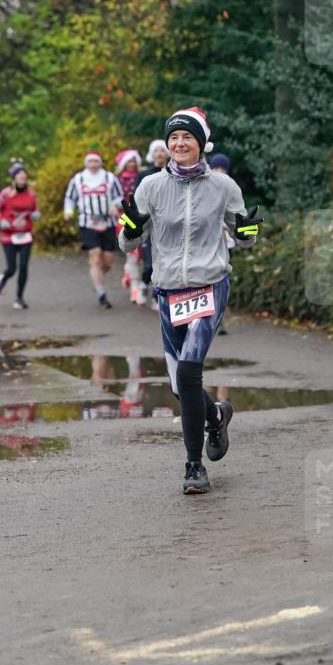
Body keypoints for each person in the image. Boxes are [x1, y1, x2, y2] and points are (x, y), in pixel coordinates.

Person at [119, 107, 263, 495]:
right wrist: (131, 228)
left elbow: (244, 238)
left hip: (208, 286)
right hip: (168, 293)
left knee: (188, 372)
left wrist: (248, 228)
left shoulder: (223, 187)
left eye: (187, 138)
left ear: (201, 143)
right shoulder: (150, 186)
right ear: (167, 144)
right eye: (173, 138)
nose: (179, 144)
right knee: (182, 387)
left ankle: (194, 466)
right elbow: (129, 243)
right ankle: (216, 417)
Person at [63, 151, 123, 309]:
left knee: (108, 261)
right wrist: (68, 212)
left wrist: (115, 205)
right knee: (95, 257)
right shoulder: (78, 179)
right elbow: (70, 198)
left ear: (100, 163)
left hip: (107, 222)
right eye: (90, 162)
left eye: (96, 161)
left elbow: (119, 196)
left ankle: (99, 277)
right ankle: (101, 293)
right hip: (87, 222)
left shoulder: (110, 178)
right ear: (86, 163)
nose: (94, 165)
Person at [0, 158, 40, 309]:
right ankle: (2, 280)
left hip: (25, 235)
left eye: (24, 178)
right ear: (14, 179)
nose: (22, 180)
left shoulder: (31, 195)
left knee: (24, 266)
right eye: (20, 177)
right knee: (12, 268)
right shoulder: (5, 194)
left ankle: (19, 298)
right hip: (9, 236)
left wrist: (36, 214)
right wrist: (0, 220)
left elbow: (34, 209)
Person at [136, 140, 169, 311]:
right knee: (149, 263)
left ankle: (157, 297)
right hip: (148, 224)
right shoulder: (144, 175)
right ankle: (143, 285)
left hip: (166, 224)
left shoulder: (172, 173)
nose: (159, 154)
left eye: (162, 150)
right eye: (156, 151)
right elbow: (136, 199)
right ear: (151, 154)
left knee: (161, 262)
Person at [115, 149, 147, 305]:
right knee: (132, 253)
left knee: (142, 255)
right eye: (129, 162)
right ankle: (135, 287)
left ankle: (129, 273)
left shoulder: (142, 178)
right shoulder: (117, 180)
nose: (132, 164)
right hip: (124, 218)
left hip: (143, 218)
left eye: (134, 161)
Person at [209, 154, 235, 335]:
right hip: (206, 242)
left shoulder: (231, 188)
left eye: (223, 168)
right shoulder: (205, 186)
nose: (220, 171)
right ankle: (209, 318)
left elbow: (235, 214)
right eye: (216, 168)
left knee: (222, 280)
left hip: (225, 242)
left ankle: (220, 318)